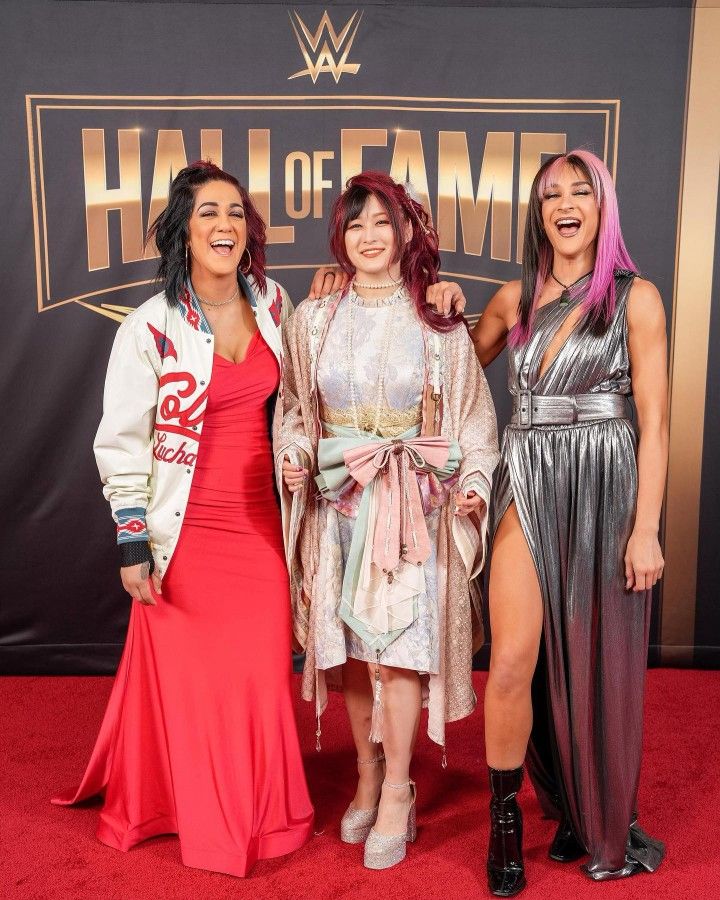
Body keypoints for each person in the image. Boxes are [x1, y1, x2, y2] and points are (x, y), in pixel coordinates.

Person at [312, 149, 667, 893]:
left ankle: (585, 806)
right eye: (549, 196)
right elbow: (442, 378)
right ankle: (507, 818)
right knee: (510, 659)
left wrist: (646, 529)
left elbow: (658, 427)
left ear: (602, 207)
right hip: (527, 477)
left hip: (605, 485)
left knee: (593, 654)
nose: (564, 205)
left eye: (579, 192)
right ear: (539, 215)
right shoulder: (514, 300)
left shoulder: (638, 301)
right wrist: (420, 297)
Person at [53, 161, 314, 877]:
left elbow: (297, 403)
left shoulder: (274, 303)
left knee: (259, 677)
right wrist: (132, 538)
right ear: (183, 231)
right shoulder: (150, 326)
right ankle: (195, 815)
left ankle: (264, 813)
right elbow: (122, 438)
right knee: (197, 689)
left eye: (235, 212)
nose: (224, 225)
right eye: (207, 213)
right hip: (183, 533)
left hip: (261, 527)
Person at [277, 171, 499, 870]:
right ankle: (367, 776)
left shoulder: (440, 321)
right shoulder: (310, 319)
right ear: (339, 238)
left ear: (407, 232)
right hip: (338, 503)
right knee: (349, 654)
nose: (369, 237)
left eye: (382, 223)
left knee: (399, 651)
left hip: (410, 509)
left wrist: (472, 485)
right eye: (355, 225)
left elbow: (474, 420)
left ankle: (399, 789)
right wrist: (292, 454)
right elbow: (292, 410)